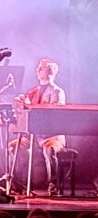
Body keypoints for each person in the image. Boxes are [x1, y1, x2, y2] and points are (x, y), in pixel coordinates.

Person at [17, 58, 67, 196]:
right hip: (34, 137)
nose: (37, 70)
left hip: (52, 136)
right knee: (14, 146)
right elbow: (26, 114)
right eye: (38, 67)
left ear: (50, 72)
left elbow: (56, 116)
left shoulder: (57, 92)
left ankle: (53, 184)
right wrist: (22, 105)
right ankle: (19, 184)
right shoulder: (32, 92)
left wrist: (32, 106)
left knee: (49, 149)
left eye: (42, 68)